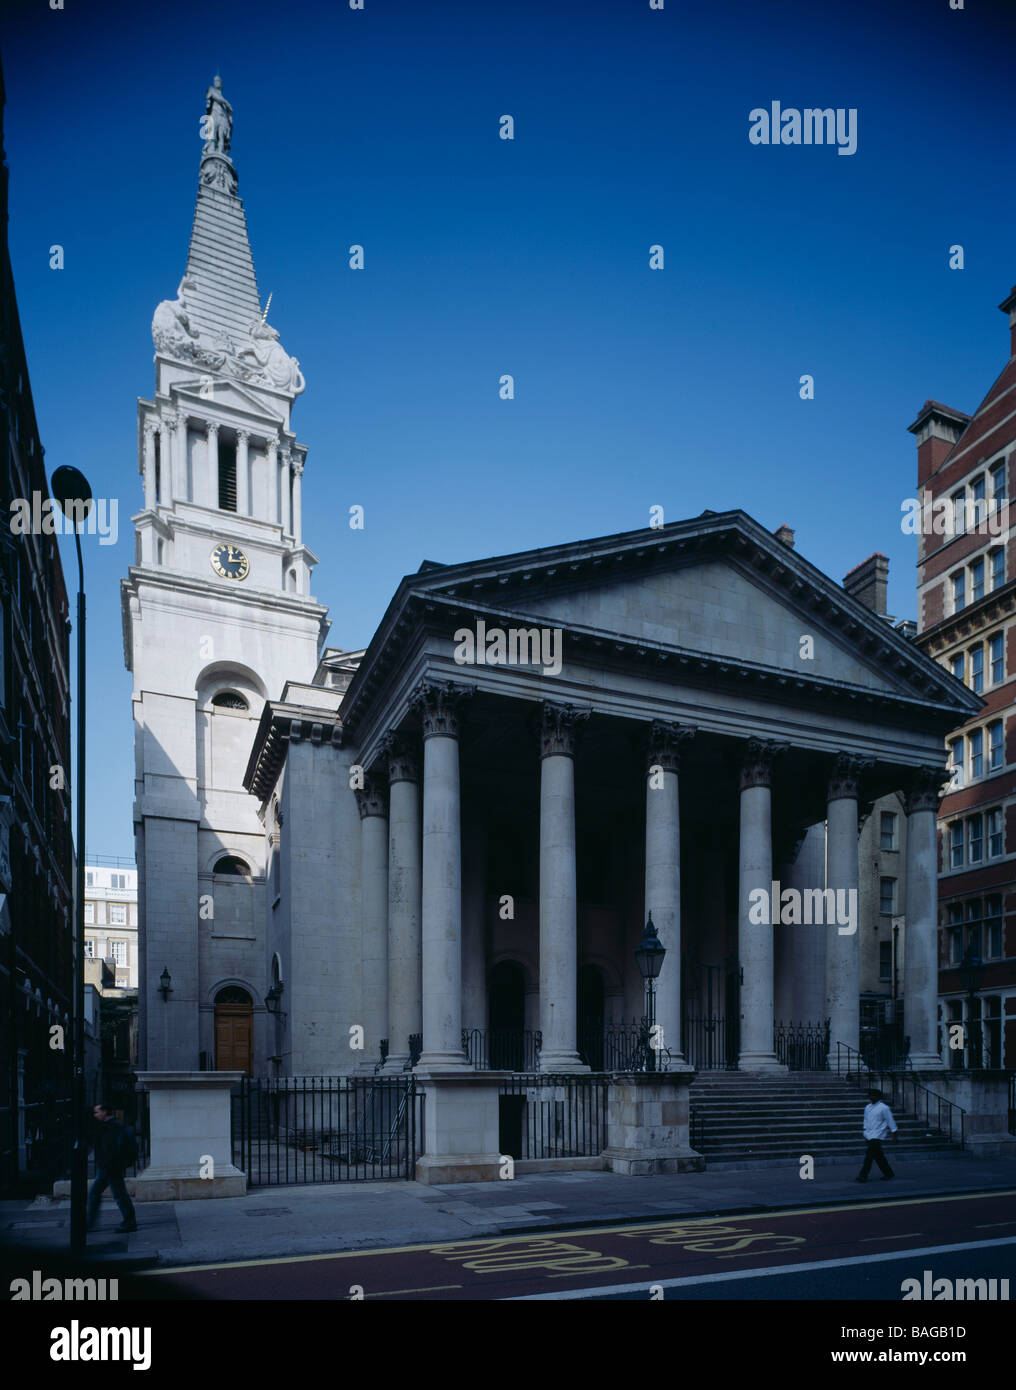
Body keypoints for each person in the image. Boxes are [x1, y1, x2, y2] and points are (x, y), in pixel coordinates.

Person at [86, 1102, 138, 1233]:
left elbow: (112, 1149)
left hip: (110, 1167)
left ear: (104, 1112)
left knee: (118, 1195)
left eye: (97, 1112)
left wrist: (107, 1163)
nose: (95, 1115)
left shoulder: (112, 1127)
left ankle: (129, 1222)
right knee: (98, 1194)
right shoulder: (110, 1126)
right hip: (108, 1167)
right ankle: (90, 1223)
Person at [855, 1087, 898, 1182]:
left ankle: (863, 1175)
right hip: (869, 1134)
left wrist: (894, 1134)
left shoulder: (884, 1108)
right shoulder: (867, 1107)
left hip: (878, 1134)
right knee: (878, 1156)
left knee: (869, 1156)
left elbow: (890, 1121)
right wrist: (865, 1131)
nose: (872, 1097)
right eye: (870, 1096)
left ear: (878, 1097)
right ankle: (888, 1173)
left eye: (874, 1096)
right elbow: (865, 1120)